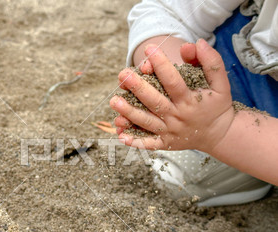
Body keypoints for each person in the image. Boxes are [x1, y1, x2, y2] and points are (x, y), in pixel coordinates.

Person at [110, 0, 278, 206]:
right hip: (248, 75)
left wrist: (220, 130)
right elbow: (165, 11)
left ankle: (235, 145)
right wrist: (178, 82)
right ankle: (233, 158)